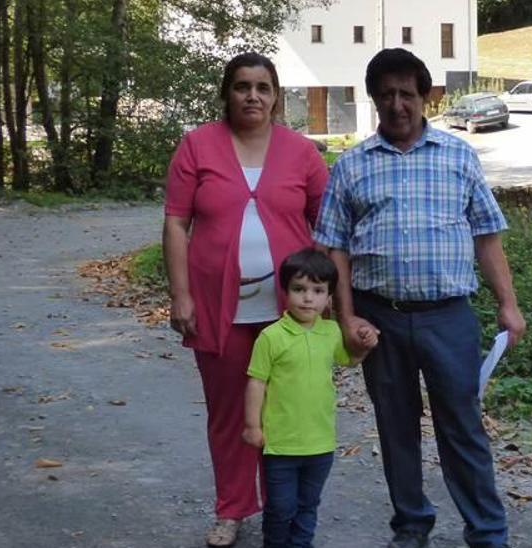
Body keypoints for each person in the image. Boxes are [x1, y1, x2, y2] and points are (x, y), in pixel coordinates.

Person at [312, 48, 528, 548]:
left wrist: (508, 304)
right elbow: (335, 249)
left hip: (447, 318)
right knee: (395, 427)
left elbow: (487, 236)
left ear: (424, 97)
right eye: (385, 94)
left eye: (406, 93)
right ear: (373, 100)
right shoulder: (350, 167)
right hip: (378, 317)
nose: (397, 104)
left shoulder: (458, 156)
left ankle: (487, 531)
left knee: (462, 426)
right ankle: (411, 526)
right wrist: (345, 318)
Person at [163, 52, 329, 548]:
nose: (252, 96)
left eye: (262, 87)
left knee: (286, 411)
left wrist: (336, 304)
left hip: (290, 310)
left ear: (276, 96)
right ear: (227, 93)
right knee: (230, 413)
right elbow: (176, 222)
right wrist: (181, 295)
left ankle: (283, 508)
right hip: (220, 308)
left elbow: (330, 227)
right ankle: (232, 509)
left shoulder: (302, 153)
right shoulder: (197, 146)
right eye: (242, 86)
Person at [242, 248, 379, 548]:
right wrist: (252, 426)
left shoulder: (330, 332)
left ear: (329, 296)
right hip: (280, 444)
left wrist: (365, 344)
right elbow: (256, 382)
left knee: (308, 504)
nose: (308, 298)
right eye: (299, 289)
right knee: (280, 507)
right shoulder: (271, 336)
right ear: (286, 291)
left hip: (320, 443)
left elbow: (350, 360)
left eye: (318, 291)